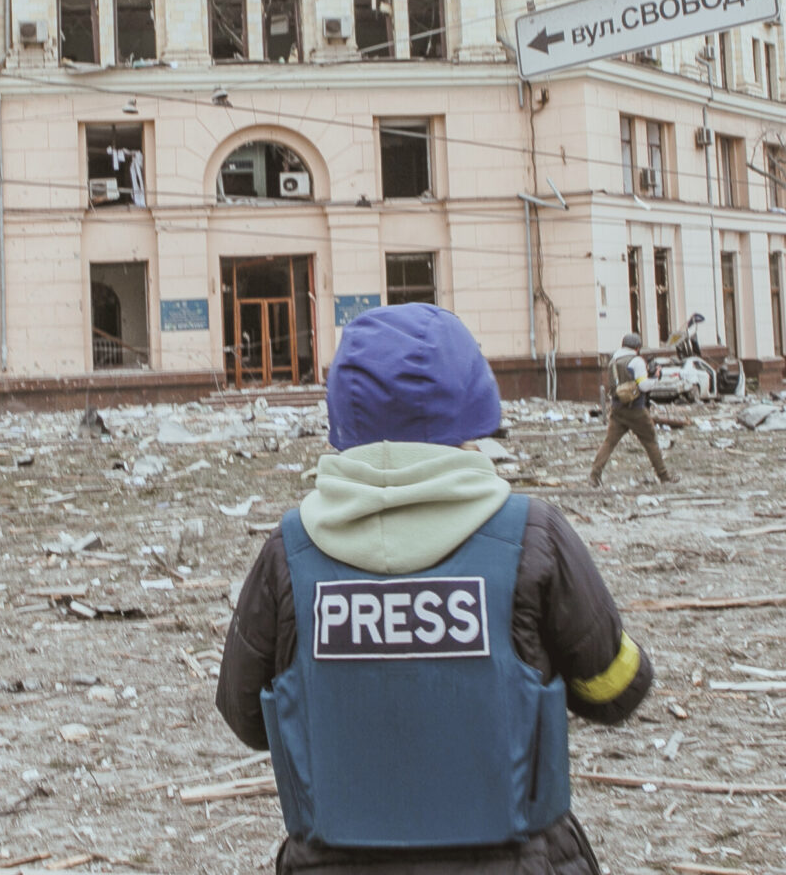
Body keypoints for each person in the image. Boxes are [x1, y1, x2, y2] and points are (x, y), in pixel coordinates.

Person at [217, 303, 652, 875]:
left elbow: (245, 716)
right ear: (473, 400)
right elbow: (615, 690)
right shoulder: (534, 536)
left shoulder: (288, 553)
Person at [591, 332, 673, 485]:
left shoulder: (613, 360)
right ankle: (664, 476)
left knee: (609, 443)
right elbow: (643, 385)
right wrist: (655, 377)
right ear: (637, 347)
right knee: (650, 441)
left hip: (617, 408)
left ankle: (594, 476)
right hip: (635, 409)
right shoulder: (636, 361)